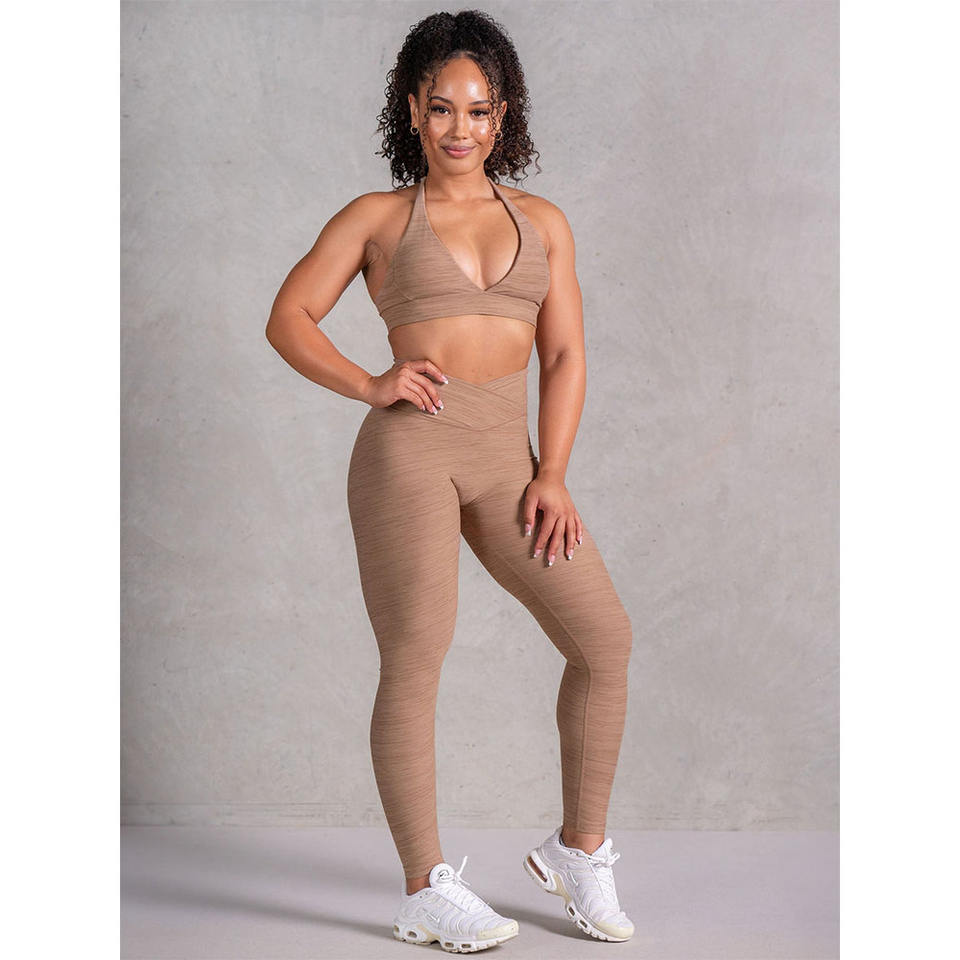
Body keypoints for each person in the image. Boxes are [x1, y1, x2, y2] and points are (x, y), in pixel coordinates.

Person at [266, 9, 635, 952]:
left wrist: (553, 471)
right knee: (417, 654)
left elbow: (565, 356)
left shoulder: (543, 222)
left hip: (508, 454)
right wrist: (370, 383)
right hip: (411, 452)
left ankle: (577, 851)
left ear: (502, 114)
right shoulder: (378, 218)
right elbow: (289, 317)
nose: (460, 128)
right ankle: (426, 886)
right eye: (442, 108)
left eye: (478, 109)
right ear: (413, 112)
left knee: (603, 640)